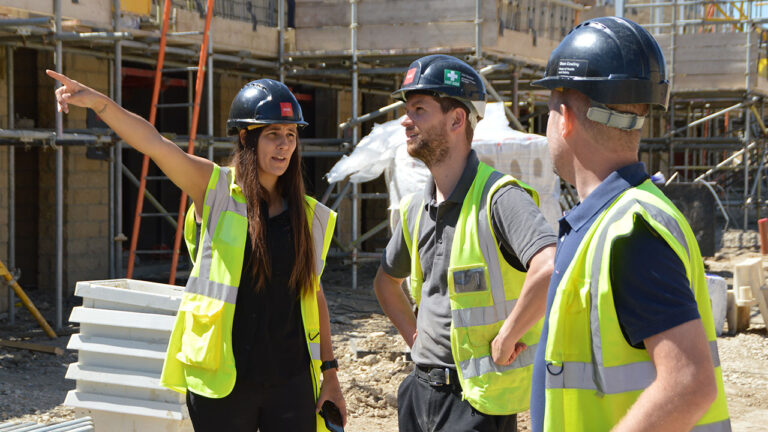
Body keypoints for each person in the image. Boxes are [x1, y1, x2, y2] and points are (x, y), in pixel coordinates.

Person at [47, 70, 347, 431]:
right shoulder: (216, 190)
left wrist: (330, 373)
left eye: (290, 135)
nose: (283, 145)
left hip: (291, 381)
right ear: (245, 138)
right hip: (223, 382)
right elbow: (155, 143)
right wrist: (99, 103)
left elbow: (313, 295)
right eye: (272, 135)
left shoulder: (310, 215)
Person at [528, 16, 731, 432]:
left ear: (564, 118)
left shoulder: (631, 231)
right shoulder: (612, 220)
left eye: (547, 110)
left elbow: (689, 383)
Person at [373, 54, 557, 432]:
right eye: (407, 109)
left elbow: (550, 267)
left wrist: (508, 337)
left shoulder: (499, 198)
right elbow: (385, 283)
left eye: (419, 110)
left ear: (457, 119)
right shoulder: (415, 209)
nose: (406, 120)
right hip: (419, 392)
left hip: (476, 403)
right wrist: (415, 339)